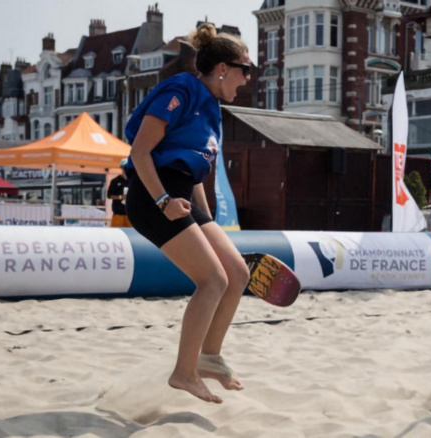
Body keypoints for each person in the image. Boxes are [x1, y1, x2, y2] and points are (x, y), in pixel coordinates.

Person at [123, 23, 254, 404]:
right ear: (223, 69)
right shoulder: (180, 88)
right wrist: (164, 200)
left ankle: (209, 357)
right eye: (246, 69)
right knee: (212, 280)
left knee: (237, 273)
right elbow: (140, 153)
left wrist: (208, 219)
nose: (247, 79)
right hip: (152, 195)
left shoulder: (212, 107)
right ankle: (184, 373)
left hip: (182, 195)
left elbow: (193, 170)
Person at [107, 158, 132, 227]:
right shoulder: (115, 181)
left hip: (130, 214)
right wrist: (121, 197)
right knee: (116, 233)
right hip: (118, 213)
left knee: (131, 235)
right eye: (125, 167)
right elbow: (109, 195)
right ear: (121, 167)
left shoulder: (132, 181)